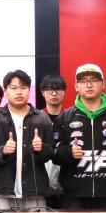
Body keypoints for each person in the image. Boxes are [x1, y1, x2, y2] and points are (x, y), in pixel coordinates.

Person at [53, 63, 106, 210]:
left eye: (94, 80)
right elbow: (54, 154)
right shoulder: (64, 119)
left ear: (103, 85)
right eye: (83, 81)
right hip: (74, 196)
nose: (89, 85)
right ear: (76, 86)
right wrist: (68, 152)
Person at [0, 70, 56, 211]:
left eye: (23, 87)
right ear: (5, 91)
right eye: (13, 88)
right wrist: (2, 151)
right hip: (3, 191)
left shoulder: (42, 118)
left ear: (29, 90)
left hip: (35, 190)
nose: (19, 92)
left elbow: (51, 151)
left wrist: (41, 149)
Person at [39, 73, 67, 205]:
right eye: (50, 90)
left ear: (64, 92)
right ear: (43, 92)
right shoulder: (35, 119)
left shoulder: (71, 118)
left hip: (66, 184)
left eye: (58, 89)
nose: (54, 94)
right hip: (40, 184)